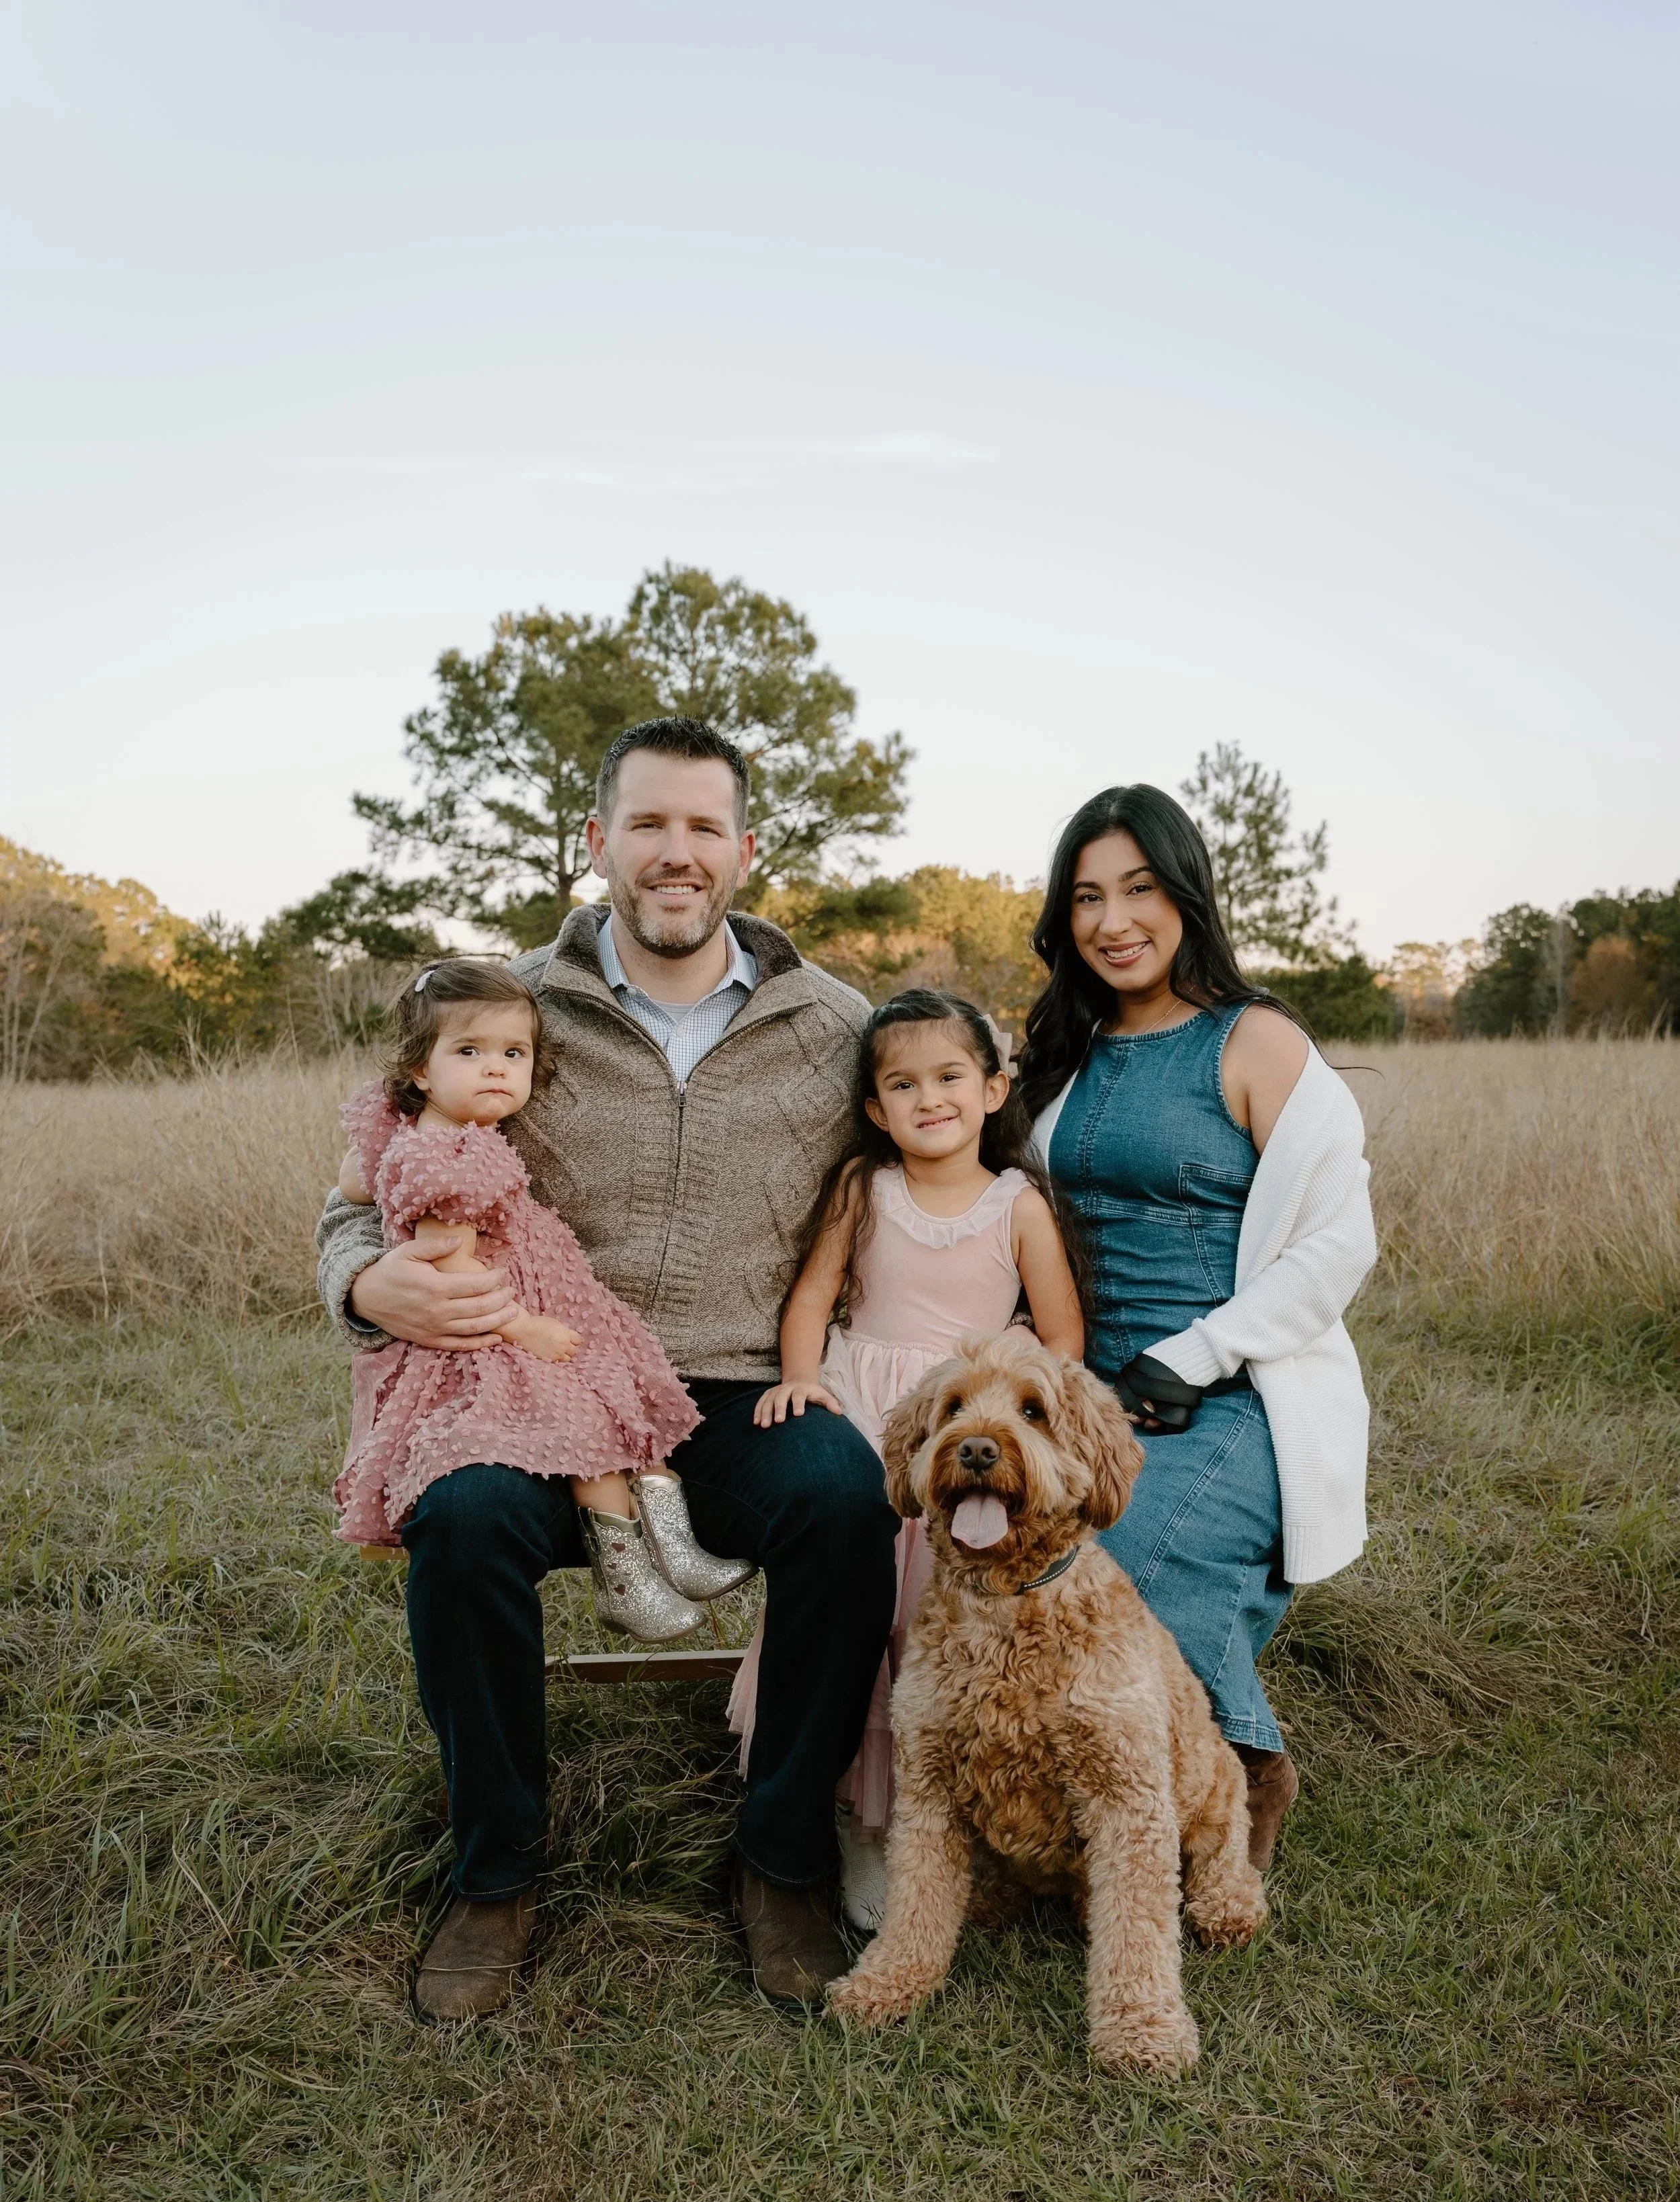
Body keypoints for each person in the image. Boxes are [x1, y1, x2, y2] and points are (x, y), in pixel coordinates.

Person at [315, 716, 899, 2023]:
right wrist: (364, 1281)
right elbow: (358, 1197)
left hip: (741, 1385)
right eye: (647, 825)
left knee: (845, 1501)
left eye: (703, 827)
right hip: (541, 1390)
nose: (675, 854)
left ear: (744, 851)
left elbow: (934, 1145)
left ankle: (781, 1855)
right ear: (597, 844)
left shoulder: (830, 1026)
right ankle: (495, 1869)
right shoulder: (506, 1012)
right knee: (460, 1519)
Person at [1019, 784, 1378, 1871]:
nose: (1113, 919)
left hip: (1232, 1387)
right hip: (1082, 1381)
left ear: (1186, 894)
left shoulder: (1255, 1040)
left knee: (1125, 1557)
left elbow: (1337, 1243)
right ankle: (1064, 1812)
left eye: (1139, 887)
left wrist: (1195, 1353)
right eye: (1087, 896)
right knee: (1013, 1557)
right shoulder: (1060, 1049)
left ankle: (1247, 1766)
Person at [730, 989, 1084, 1931]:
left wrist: (1022, 1417)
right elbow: (812, 1300)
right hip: (869, 1416)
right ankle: (861, 1824)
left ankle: (957, 1815)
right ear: (878, 1108)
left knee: (934, 1622)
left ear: (995, 1088)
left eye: (950, 1077)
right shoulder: (864, 1188)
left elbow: (1061, 1338)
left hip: (967, 1425)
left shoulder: (1019, 1207)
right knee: (859, 1614)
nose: (929, 1099)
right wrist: (802, 1381)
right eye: (903, 1084)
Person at [333, 956, 746, 1646]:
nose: (496, 1068)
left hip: (531, 1306)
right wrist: (530, 1328)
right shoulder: (445, 1164)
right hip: (493, 1342)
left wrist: (371, 1173)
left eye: (513, 1053)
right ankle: (628, 1582)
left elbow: (358, 1178)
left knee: (620, 1393)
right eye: (470, 1051)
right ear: (421, 1070)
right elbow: (455, 1280)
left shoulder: (436, 1134)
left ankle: (674, 1552)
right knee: (590, 1431)